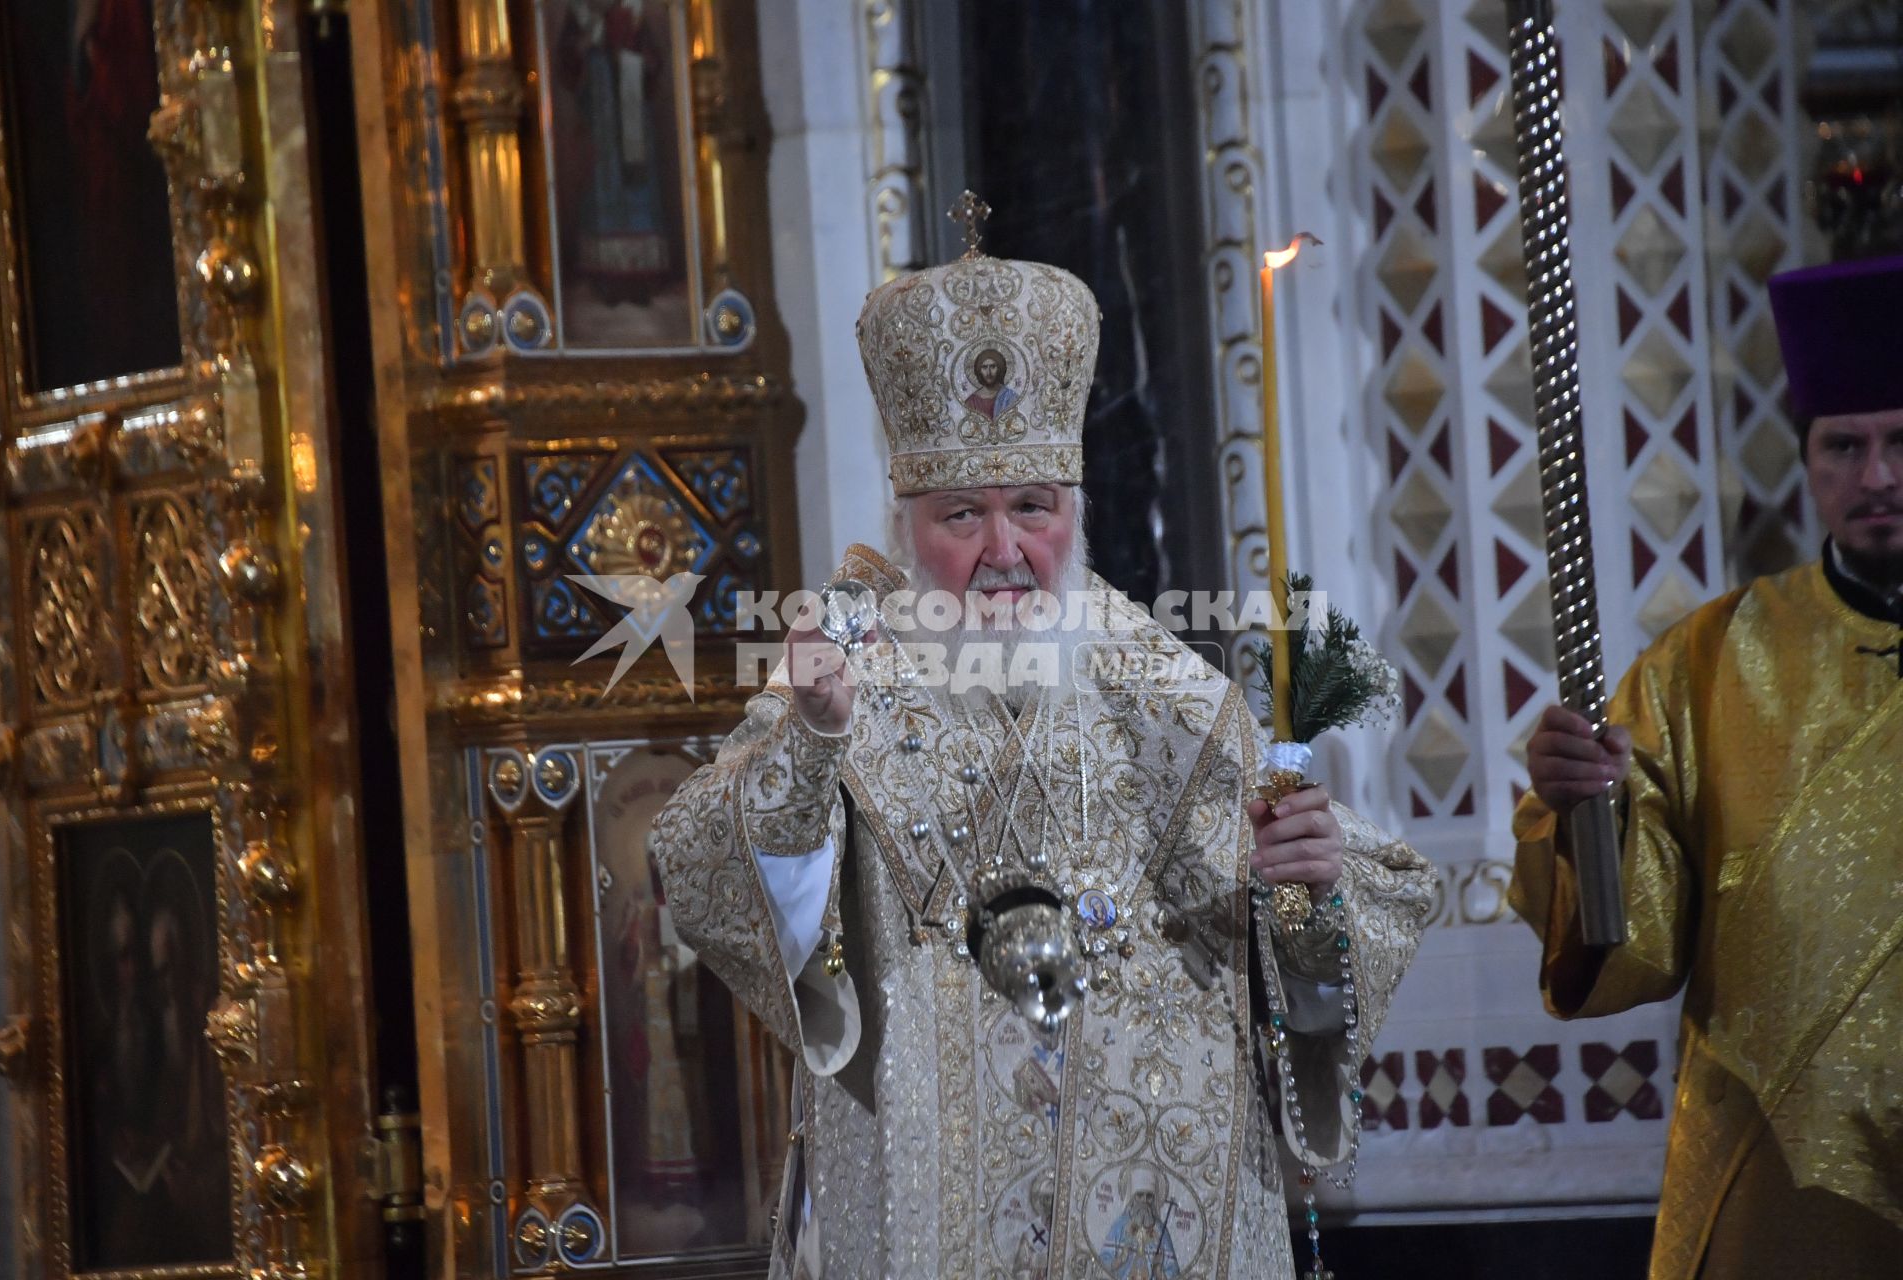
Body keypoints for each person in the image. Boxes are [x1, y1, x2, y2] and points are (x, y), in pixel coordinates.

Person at [649, 230, 1435, 1277]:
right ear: (907, 517)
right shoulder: (841, 664)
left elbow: (1304, 930)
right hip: (923, 1199)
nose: (1005, 549)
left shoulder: (1163, 693)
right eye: (961, 514)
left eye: (1032, 507)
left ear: (1076, 507)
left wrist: (1307, 880)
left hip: (1150, 1216)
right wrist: (813, 740)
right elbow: (722, 880)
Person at [1509, 253, 1903, 1278]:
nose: (1877, 477)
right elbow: (1629, 944)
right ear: (1807, 459)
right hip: (1781, 1176)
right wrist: (1579, 812)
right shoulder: (1712, 659)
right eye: (1844, 446)